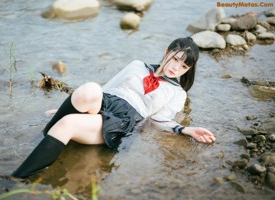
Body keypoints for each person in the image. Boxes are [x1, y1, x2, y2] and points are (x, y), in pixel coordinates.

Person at [12, 37, 216, 178]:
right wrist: (67, 105)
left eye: (183, 67)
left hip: (123, 119)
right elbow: (108, 87)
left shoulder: (177, 92)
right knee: (90, 88)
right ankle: (47, 136)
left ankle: (16, 179)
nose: (175, 68)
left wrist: (185, 129)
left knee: (67, 124)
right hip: (105, 100)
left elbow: (158, 119)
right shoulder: (138, 65)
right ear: (166, 52)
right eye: (175, 60)